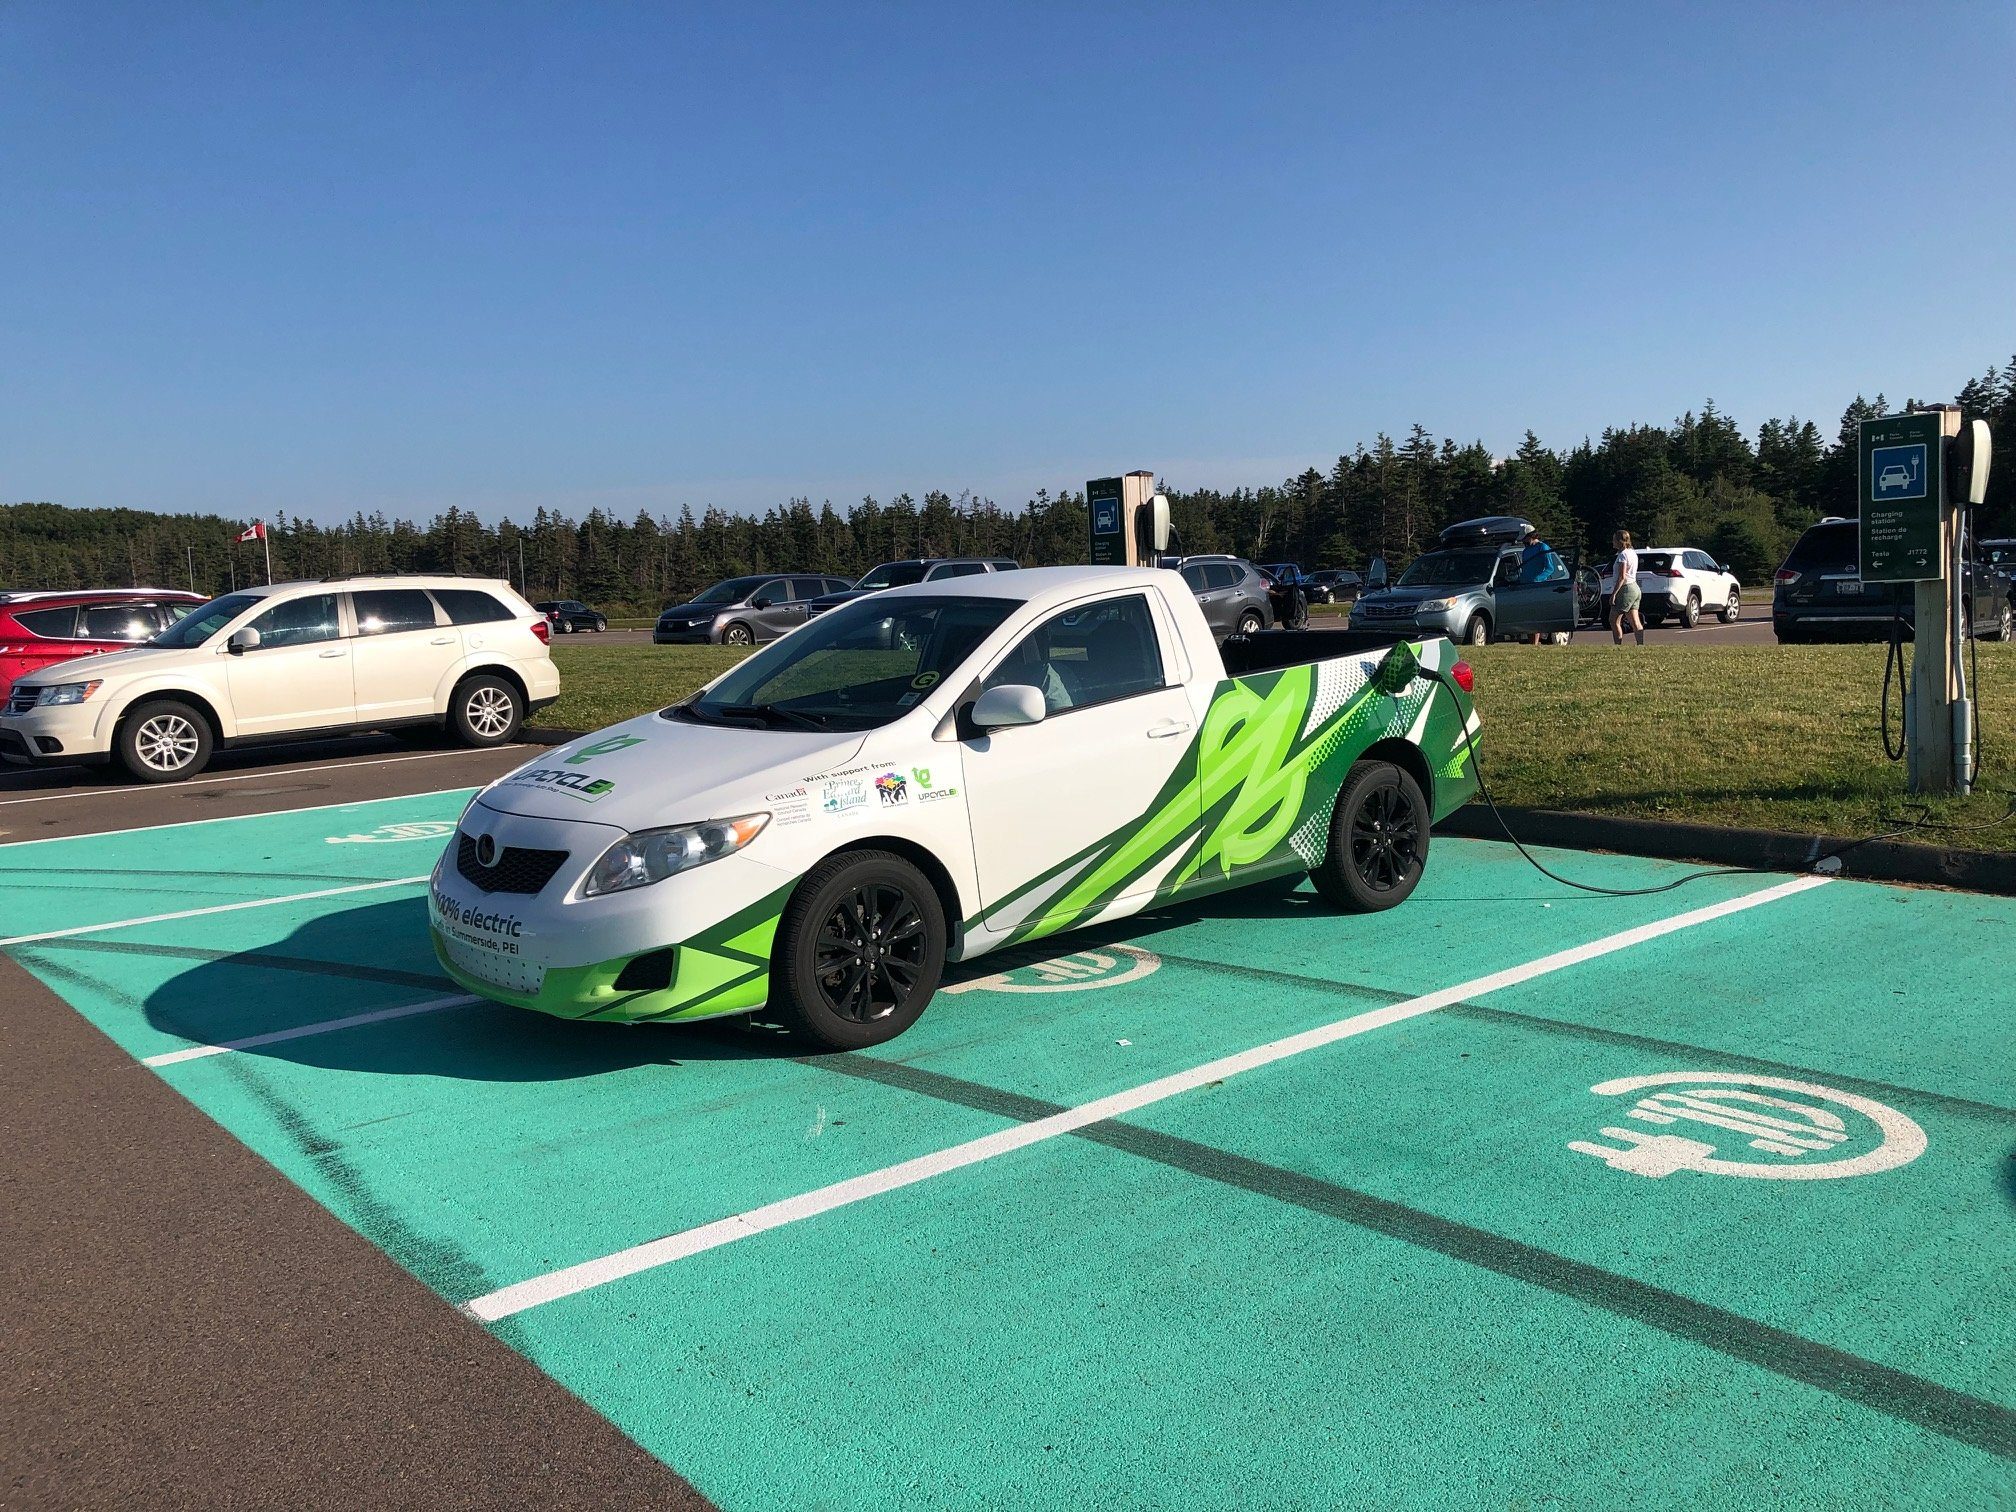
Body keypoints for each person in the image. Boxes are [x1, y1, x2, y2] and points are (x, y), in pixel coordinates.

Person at [1518, 530, 1563, 645]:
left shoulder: (1543, 547)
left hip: (1537, 586)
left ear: (1531, 536)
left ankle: (1535, 643)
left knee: (1535, 616)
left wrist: (1537, 579)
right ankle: (1531, 642)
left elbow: (1550, 568)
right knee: (1527, 616)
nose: (1524, 541)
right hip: (1525, 585)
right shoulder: (1526, 551)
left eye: (1525, 538)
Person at [1609, 529, 1644, 646]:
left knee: (1614, 620)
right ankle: (1640, 645)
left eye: (1614, 539)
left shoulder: (1623, 555)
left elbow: (1622, 577)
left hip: (1625, 589)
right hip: (1635, 588)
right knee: (1635, 621)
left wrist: (1614, 594)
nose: (1612, 542)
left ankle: (1618, 645)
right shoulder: (1632, 553)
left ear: (1620, 541)